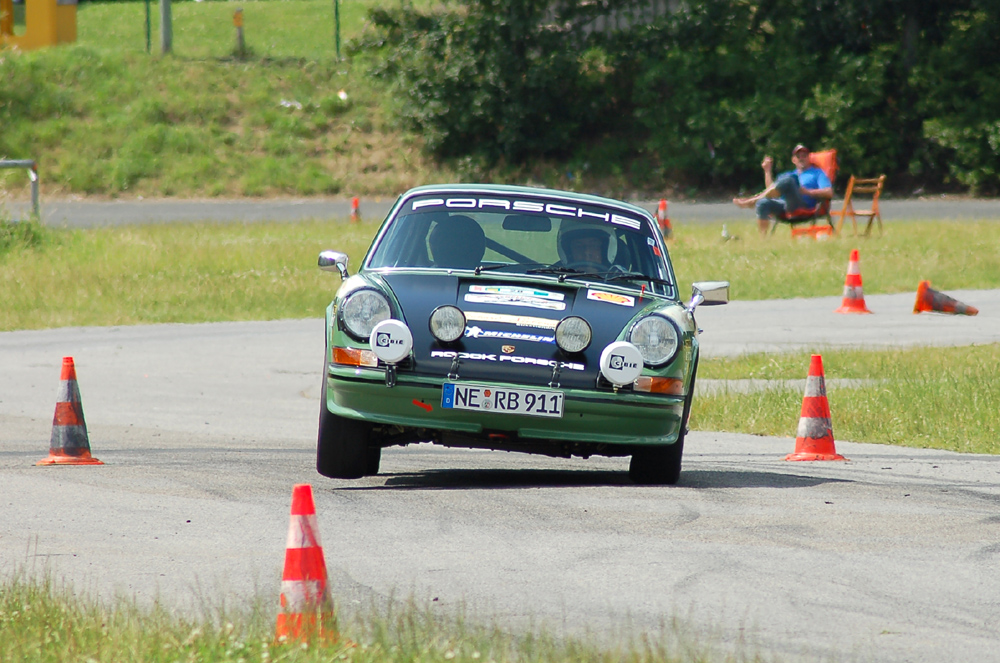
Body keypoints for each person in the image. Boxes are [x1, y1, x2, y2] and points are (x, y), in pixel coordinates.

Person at [733, 144, 833, 236]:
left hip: (804, 205)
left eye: (804, 155)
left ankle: (752, 200)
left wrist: (808, 192)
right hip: (785, 204)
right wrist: (767, 171)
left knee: (790, 180)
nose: (802, 158)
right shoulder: (787, 174)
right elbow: (772, 192)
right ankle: (762, 239)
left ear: (809, 158)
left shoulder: (817, 173)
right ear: (793, 160)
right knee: (763, 203)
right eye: (799, 156)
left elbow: (829, 192)